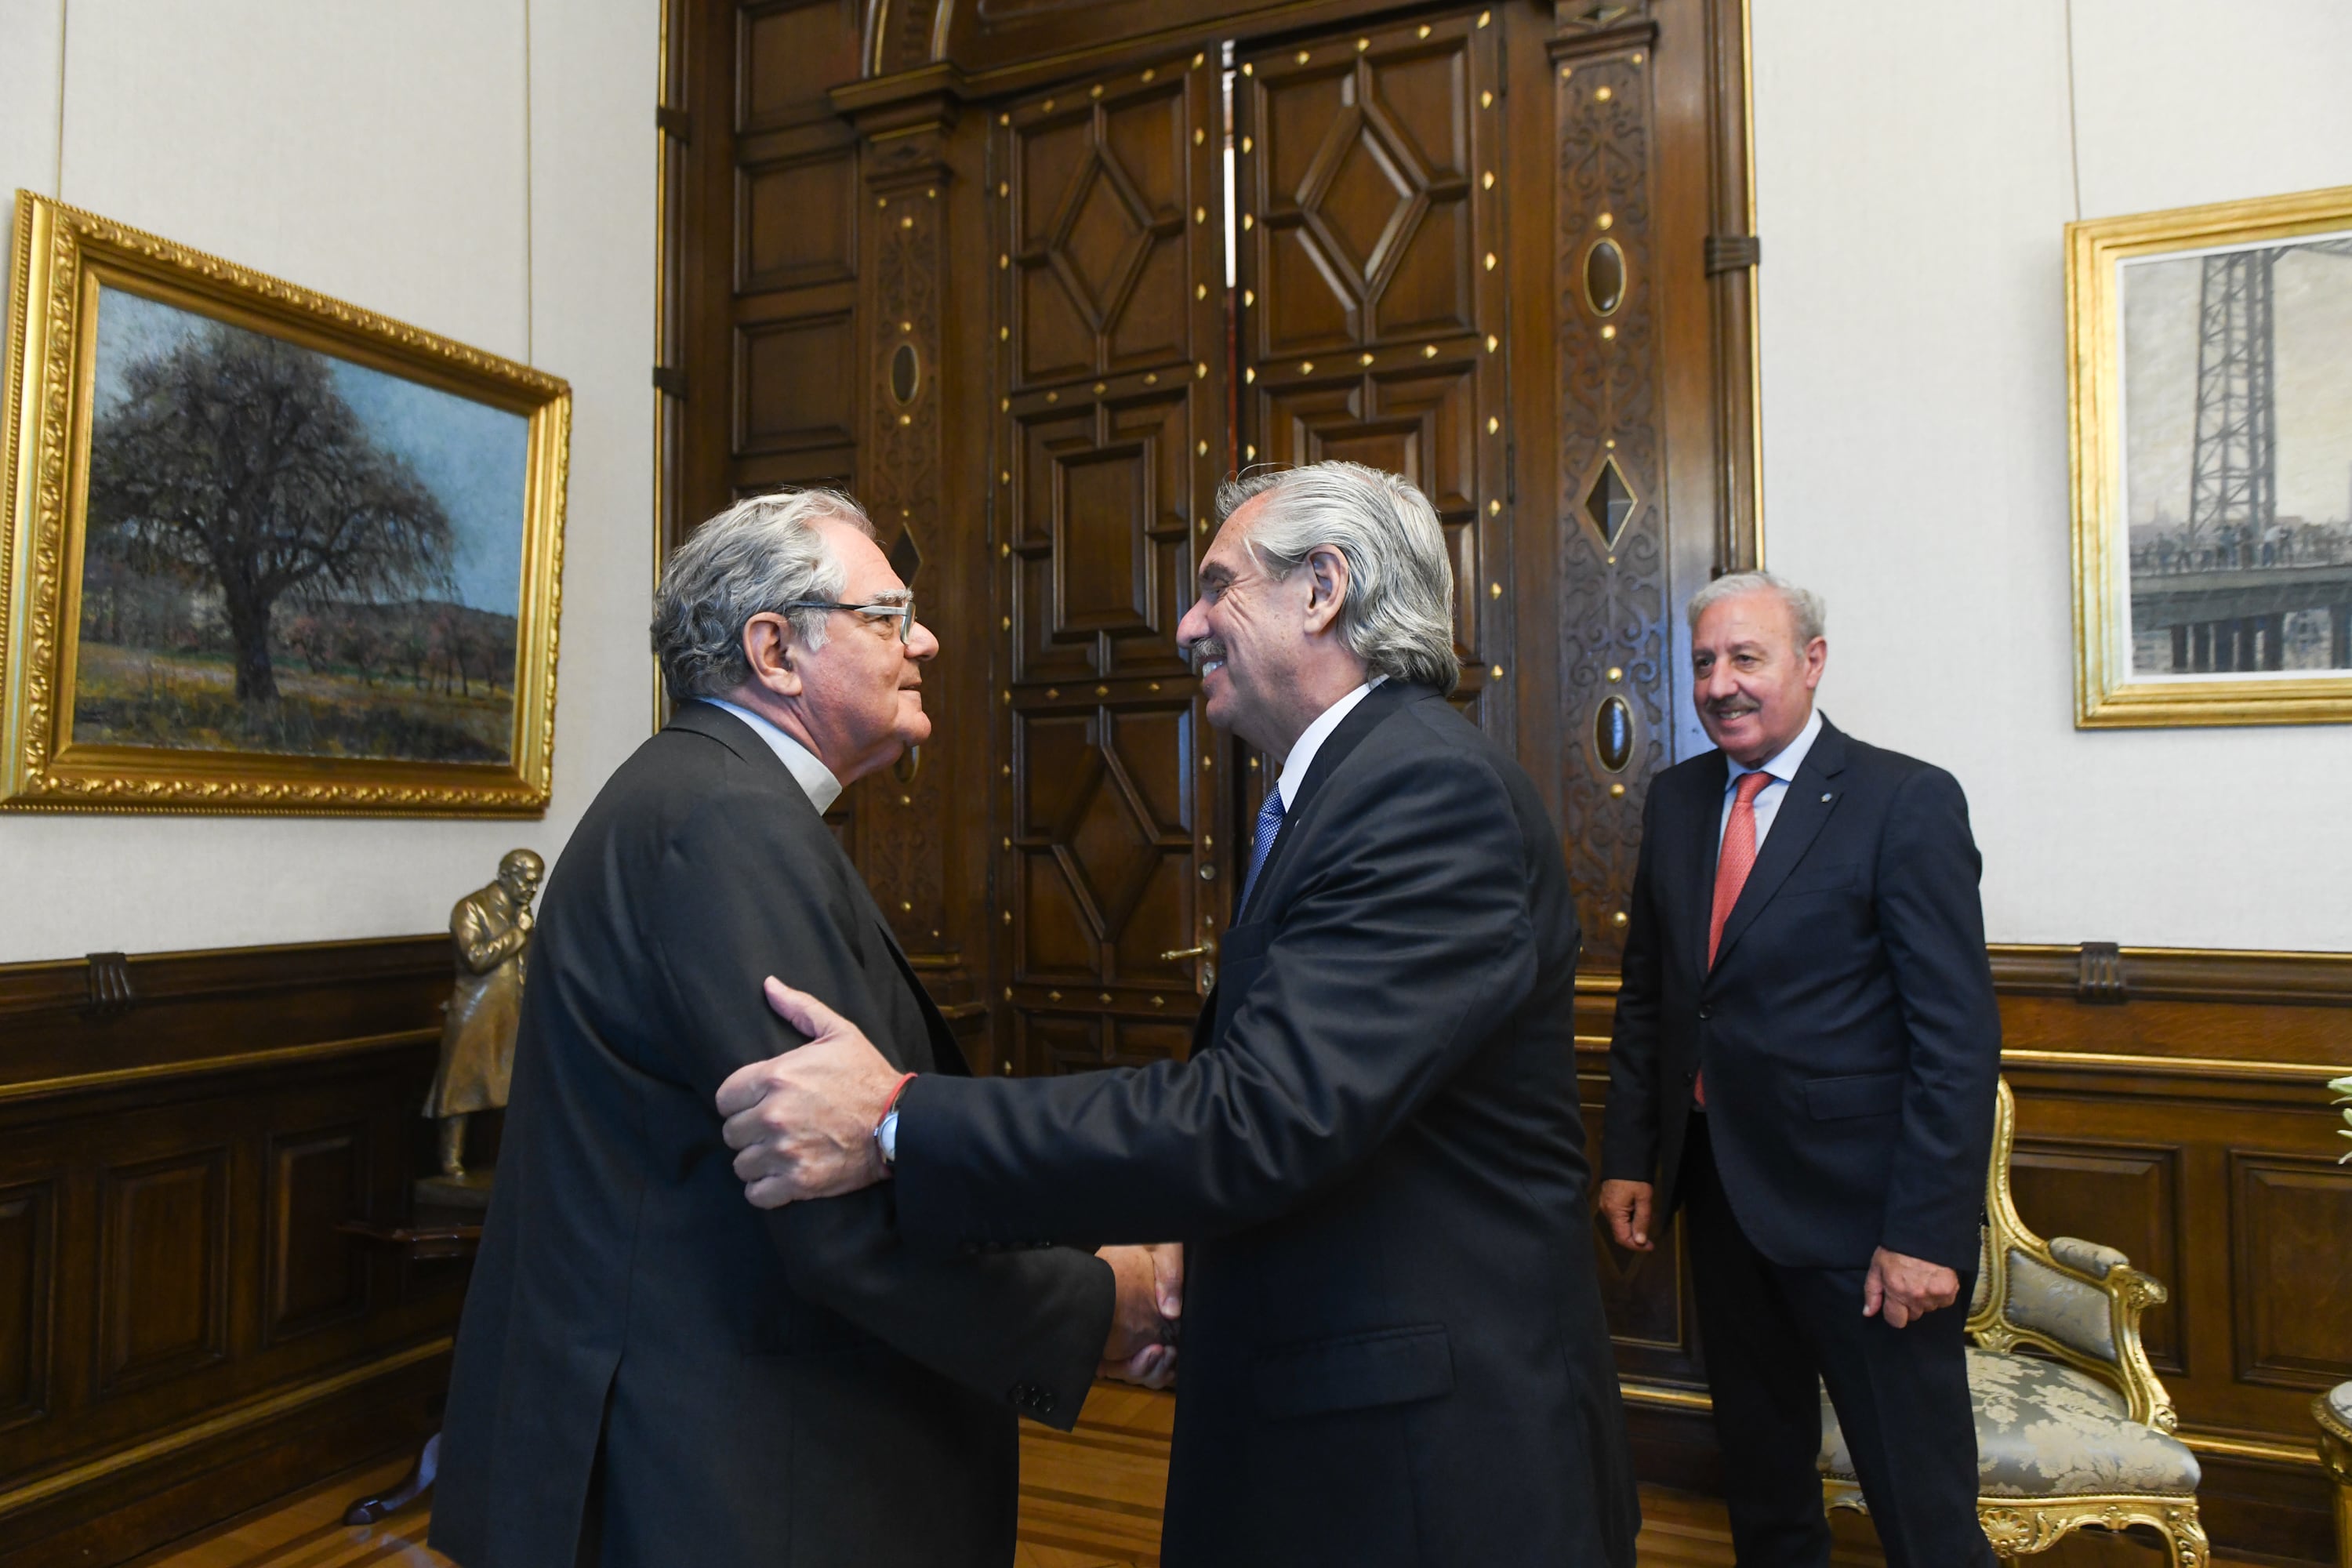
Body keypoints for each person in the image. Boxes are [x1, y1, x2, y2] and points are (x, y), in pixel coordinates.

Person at [714, 462, 1640, 1568]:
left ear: (1323, 589)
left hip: (1425, 1470)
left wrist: (898, 1122)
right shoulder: (1352, 782)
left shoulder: (1422, 790)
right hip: (1350, 1426)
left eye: (1217, 586)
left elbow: (1261, 1116)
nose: (1189, 624)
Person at [431, 490, 1177, 1568]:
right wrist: (1101, 1309)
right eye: (886, 615)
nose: (923, 639)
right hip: (732, 1465)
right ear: (774, 648)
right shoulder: (725, 821)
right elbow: (830, 1205)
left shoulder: (703, 795)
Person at [1595, 571, 2000, 1568]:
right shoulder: (1678, 799)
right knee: (1767, 1490)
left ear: (1811, 663)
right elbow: (1652, 996)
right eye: (1703, 662)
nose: (1721, 684)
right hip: (1724, 1202)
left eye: (1747, 657)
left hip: (1865, 1226)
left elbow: (1955, 1040)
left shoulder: (1903, 801)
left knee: (1925, 1516)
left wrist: (1924, 1235)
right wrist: (1631, 1157)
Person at [422, 848, 543, 1179]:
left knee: (510, 1086)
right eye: (527, 882)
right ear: (506, 876)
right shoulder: (472, 908)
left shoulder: (523, 913)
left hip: (512, 1010)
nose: (532, 890)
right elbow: (476, 957)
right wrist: (518, 933)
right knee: (460, 1088)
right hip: (476, 1011)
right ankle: (451, 1161)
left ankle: (505, 1161)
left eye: (537, 883)